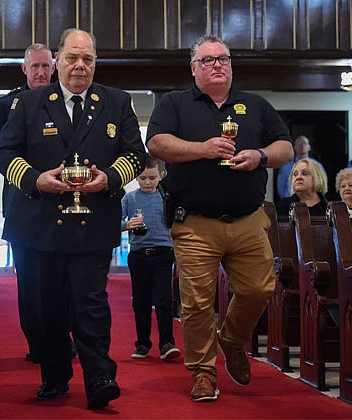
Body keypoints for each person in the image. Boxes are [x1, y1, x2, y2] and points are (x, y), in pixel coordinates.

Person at [0, 28, 146, 410]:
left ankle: (100, 377)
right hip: (37, 223)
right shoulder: (26, 104)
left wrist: (109, 178)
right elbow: (3, 152)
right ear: (57, 58)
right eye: (73, 58)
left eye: (88, 59)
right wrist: (34, 179)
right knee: (46, 306)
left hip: (92, 222)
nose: (80, 66)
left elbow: (136, 155)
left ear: (96, 62)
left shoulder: (117, 102)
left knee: (90, 302)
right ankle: (55, 376)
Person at [146, 34, 293, 402]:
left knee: (261, 289)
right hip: (195, 221)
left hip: (248, 219)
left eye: (223, 59)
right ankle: (203, 372)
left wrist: (260, 155)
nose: (217, 65)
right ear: (193, 68)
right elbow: (157, 144)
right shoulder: (175, 104)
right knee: (196, 302)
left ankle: (230, 338)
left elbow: (285, 147)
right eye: (208, 60)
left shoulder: (254, 105)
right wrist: (203, 148)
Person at [0, 42, 55, 364]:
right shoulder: (8, 104)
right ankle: (40, 344)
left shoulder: (69, 103)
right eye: (35, 66)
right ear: (24, 69)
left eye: (45, 66)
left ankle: (64, 340)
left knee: (65, 282)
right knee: (30, 282)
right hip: (23, 202)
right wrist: (32, 176)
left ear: (54, 68)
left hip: (67, 205)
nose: (40, 72)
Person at [120, 156, 180, 361]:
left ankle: (167, 343)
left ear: (161, 176)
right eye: (143, 178)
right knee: (141, 301)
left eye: (152, 178)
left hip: (164, 253)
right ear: (136, 178)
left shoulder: (167, 198)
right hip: (138, 254)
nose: (147, 182)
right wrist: (126, 225)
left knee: (163, 299)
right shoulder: (130, 199)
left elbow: (178, 222)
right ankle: (143, 343)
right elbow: (115, 221)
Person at [276, 135, 324, 199]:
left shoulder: (317, 165)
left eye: (305, 143)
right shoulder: (286, 166)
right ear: (294, 147)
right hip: (291, 201)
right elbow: (281, 188)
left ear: (309, 147)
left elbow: (322, 185)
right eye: (299, 143)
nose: (302, 145)